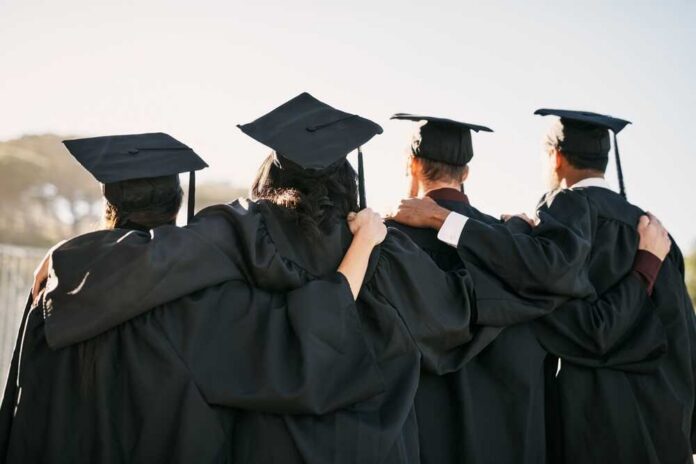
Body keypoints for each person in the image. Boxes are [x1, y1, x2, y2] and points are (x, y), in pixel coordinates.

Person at [25, 93, 585, 463]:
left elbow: (160, 258)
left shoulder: (239, 230)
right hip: (378, 447)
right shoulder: (382, 248)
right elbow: (461, 312)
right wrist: (499, 241)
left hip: (272, 443)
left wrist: (71, 262)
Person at [0, 133, 392, 464]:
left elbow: (19, 410)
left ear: (109, 205)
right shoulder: (203, 302)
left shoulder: (55, 291)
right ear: (176, 207)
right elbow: (304, 347)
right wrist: (361, 247)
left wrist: (67, 253)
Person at [390, 108, 696, 464]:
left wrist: (468, 226)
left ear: (556, 156)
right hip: (663, 429)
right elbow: (684, 335)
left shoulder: (560, 223)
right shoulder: (656, 236)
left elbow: (582, 321)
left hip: (589, 430)